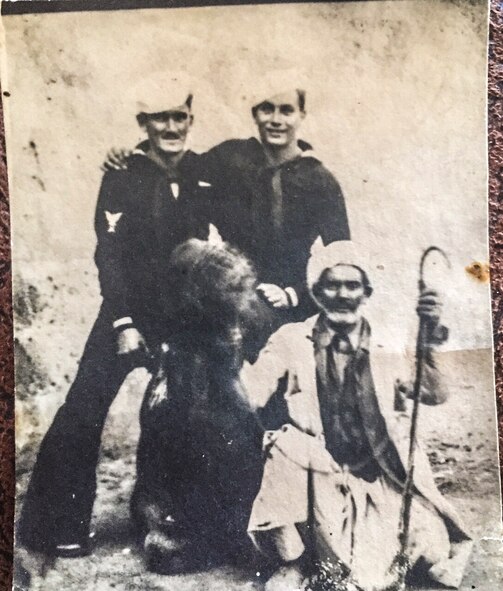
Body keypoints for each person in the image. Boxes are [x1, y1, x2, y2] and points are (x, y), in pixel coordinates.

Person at [17, 77, 210, 558]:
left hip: (184, 315)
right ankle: (56, 524)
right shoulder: (122, 173)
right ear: (142, 124)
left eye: (179, 117)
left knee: (192, 409)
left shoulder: (205, 170)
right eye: (159, 118)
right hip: (127, 310)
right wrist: (123, 322)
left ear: (190, 119)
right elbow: (110, 252)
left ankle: (182, 520)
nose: (171, 127)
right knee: (83, 409)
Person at [239, 242, 472, 591]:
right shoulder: (290, 339)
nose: (342, 295)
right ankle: (294, 561)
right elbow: (251, 394)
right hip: (318, 476)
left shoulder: (388, 343)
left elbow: (434, 394)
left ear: (367, 291)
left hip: (381, 473)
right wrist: (227, 339)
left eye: (352, 285)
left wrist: (430, 336)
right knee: (285, 444)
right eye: (332, 285)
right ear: (316, 291)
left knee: (431, 550)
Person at [105, 81, 350, 353]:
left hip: (293, 311)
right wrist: (131, 156)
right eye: (267, 110)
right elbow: (171, 168)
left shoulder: (321, 180)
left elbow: (342, 258)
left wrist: (294, 295)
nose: (276, 120)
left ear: (301, 115)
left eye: (286, 111)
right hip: (234, 308)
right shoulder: (230, 157)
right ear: (255, 114)